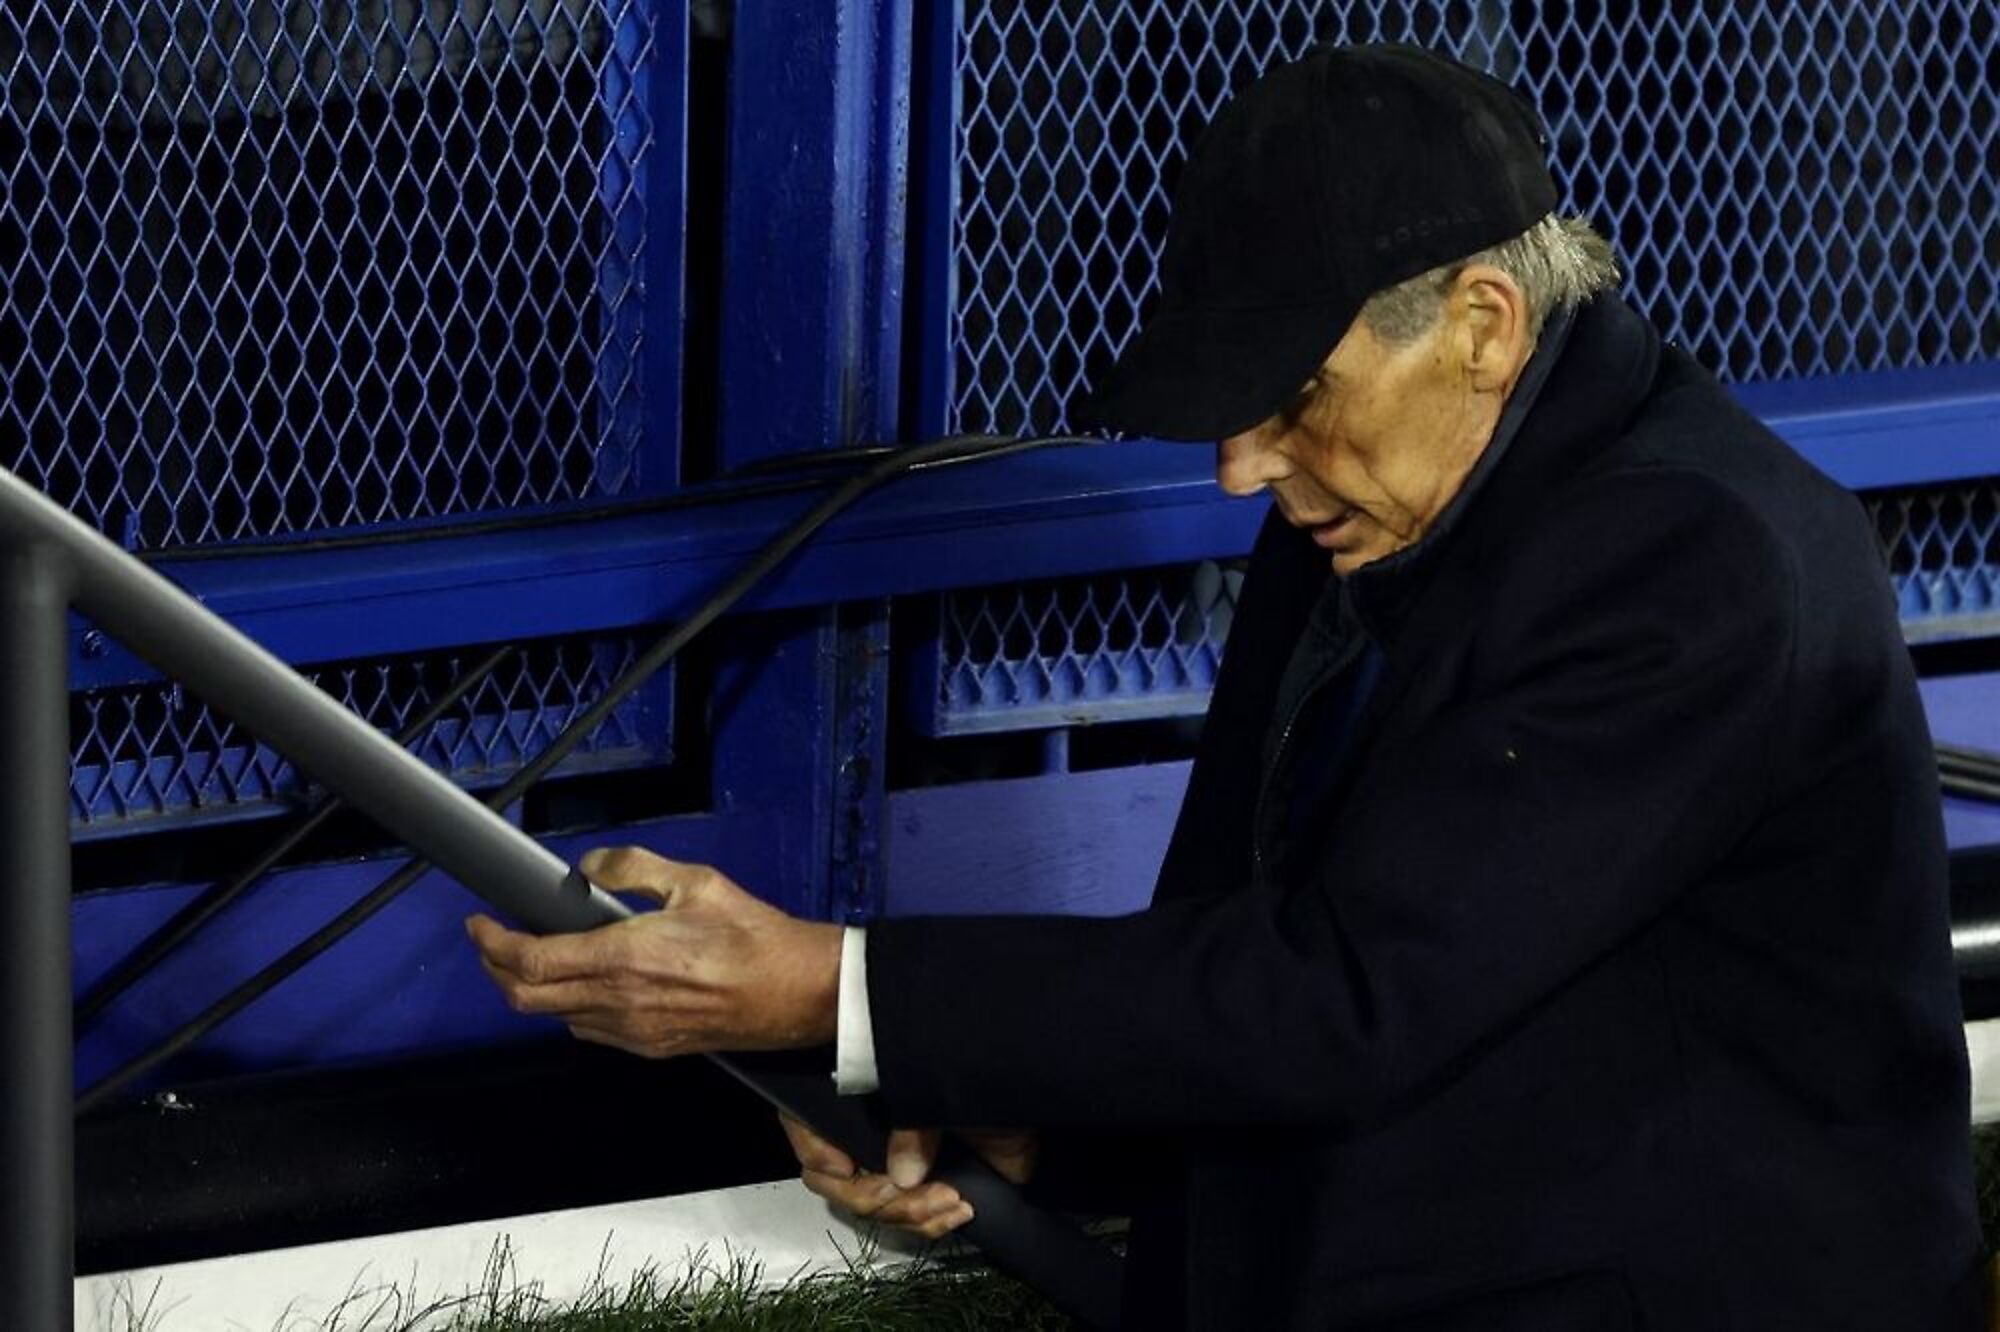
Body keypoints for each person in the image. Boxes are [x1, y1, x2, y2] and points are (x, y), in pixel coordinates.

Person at [467, 43, 1983, 1329]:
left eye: (1292, 402)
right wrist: (1040, 1117)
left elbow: (1352, 993)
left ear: (1480, 326)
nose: (1241, 465)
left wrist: (834, 987)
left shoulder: (1693, 560)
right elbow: (1244, 963)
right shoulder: (1370, 503)